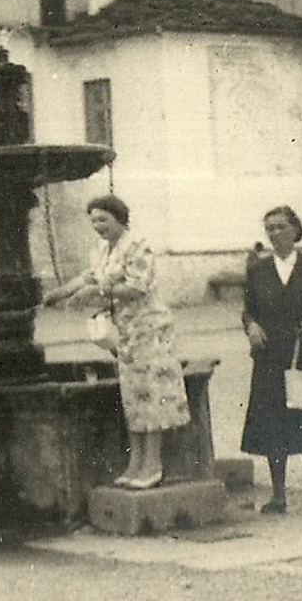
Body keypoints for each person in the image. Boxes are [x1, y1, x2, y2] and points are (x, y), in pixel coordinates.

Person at [42, 194, 191, 489]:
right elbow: (89, 279)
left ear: (119, 218)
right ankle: (135, 463)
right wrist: (58, 293)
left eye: (103, 219)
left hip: (150, 331)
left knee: (153, 394)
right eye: (94, 220)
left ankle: (153, 465)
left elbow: (137, 287)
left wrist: (97, 294)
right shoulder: (99, 250)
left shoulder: (137, 245)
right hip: (124, 334)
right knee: (133, 398)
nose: (98, 226)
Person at [240, 205, 302, 517]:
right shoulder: (258, 270)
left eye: (281, 227)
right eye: (269, 228)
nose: (275, 234)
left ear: (296, 230)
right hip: (270, 356)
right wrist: (252, 327)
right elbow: (248, 309)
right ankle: (278, 496)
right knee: (273, 426)